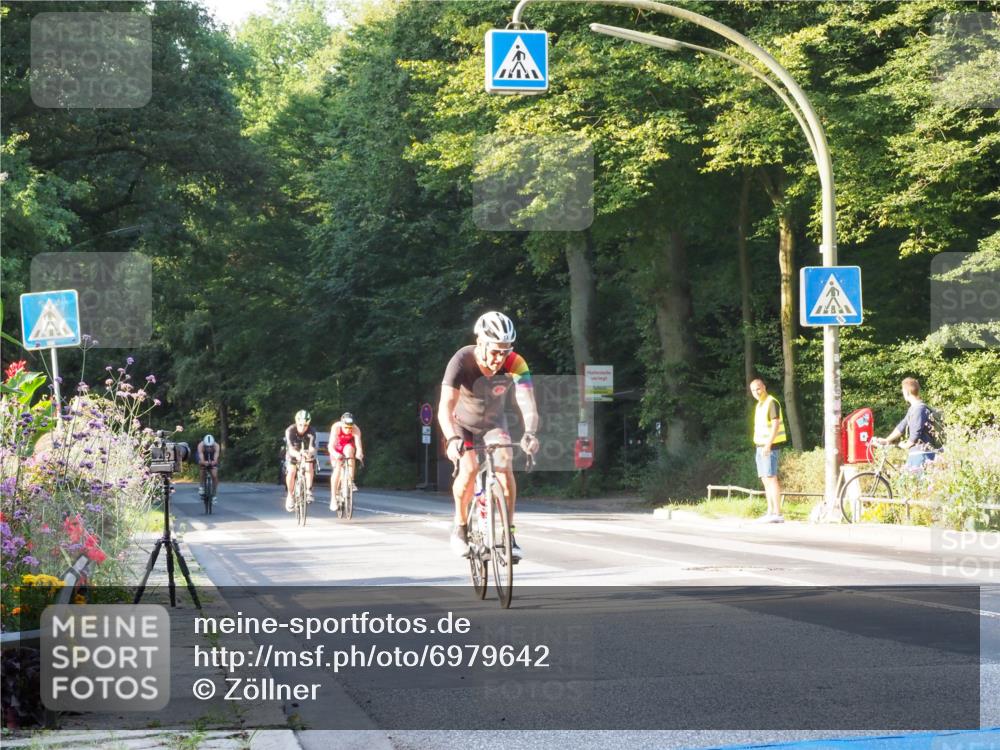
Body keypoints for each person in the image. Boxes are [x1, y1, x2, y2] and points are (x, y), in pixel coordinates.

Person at [438, 311, 540, 562]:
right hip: (463, 424)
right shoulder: (461, 360)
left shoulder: (516, 362)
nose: (499, 358)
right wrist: (452, 438)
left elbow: (528, 403)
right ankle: (460, 527)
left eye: (505, 351)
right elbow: (444, 407)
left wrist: (530, 433)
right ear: (480, 342)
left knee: (505, 464)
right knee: (470, 468)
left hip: (494, 422)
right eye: (495, 351)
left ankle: (508, 533)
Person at [873, 377, 939, 468]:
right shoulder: (913, 409)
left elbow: (915, 436)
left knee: (913, 481)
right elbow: (901, 427)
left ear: (907, 392)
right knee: (906, 480)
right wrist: (886, 440)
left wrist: (904, 445)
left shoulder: (919, 409)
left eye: (903, 391)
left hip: (923, 454)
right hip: (916, 454)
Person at [749, 378, 787, 523]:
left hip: (769, 446)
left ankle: (778, 513)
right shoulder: (760, 405)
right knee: (765, 479)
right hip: (760, 446)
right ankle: (770, 511)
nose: (756, 392)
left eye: (758, 389)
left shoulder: (771, 402)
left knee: (771, 478)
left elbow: (776, 425)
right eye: (753, 390)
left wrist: (768, 445)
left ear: (764, 387)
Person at [329, 412, 364, 511]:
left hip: (347, 447)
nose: (348, 430)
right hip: (336, 449)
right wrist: (336, 455)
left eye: (350, 427)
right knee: (338, 468)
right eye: (346, 427)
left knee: (350, 452)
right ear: (342, 424)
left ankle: (350, 481)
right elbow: (330, 446)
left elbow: (358, 446)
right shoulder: (336, 427)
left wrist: (359, 454)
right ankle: (333, 498)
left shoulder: (356, 429)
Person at [284, 410, 317, 512]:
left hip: (305, 450)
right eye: (300, 425)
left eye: (306, 425)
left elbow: (312, 447)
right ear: (296, 422)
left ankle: (308, 490)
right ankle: (290, 495)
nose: (303, 428)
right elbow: (290, 448)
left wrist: (310, 453)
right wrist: (297, 454)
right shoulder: (290, 430)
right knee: (292, 471)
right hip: (293, 450)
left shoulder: (311, 431)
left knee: (309, 465)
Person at [196, 434, 221, 503]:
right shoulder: (200, 445)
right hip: (203, 455)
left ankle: (214, 494)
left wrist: (214, 462)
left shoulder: (216, 446)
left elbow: (216, 457)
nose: (209, 448)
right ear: (204, 444)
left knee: (215, 475)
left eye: (211, 446)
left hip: (212, 456)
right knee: (201, 465)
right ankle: (201, 486)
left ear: (213, 444)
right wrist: (204, 462)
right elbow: (201, 456)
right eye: (207, 446)